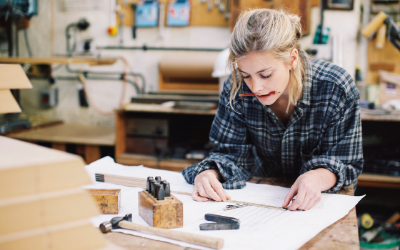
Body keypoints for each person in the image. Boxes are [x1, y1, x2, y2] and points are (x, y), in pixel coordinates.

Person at [182, 9, 363, 211]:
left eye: (265, 75)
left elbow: (346, 162)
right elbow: (231, 154)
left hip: (324, 202)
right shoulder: (236, 89)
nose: (255, 87)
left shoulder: (335, 88)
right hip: (264, 199)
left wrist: (315, 178)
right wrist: (209, 173)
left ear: (292, 59)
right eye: (246, 75)